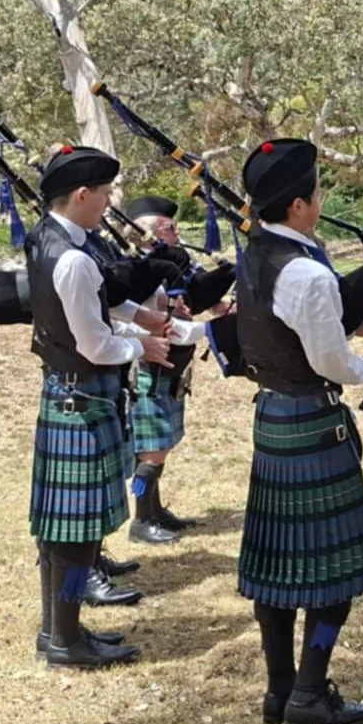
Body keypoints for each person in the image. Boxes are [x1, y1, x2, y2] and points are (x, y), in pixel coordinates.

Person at [234, 139, 363, 724]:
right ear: (299, 205)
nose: (321, 199)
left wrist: (355, 321)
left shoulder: (255, 255)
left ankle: (280, 690)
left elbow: (292, 328)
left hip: (274, 418)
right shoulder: (306, 272)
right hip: (314, 425)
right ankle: (308, 693)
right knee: (335, 575)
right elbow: (329, 361)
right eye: (317, 192)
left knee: (277, 568)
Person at [25, 145, 176, 669]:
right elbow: (95, 344)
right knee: (75, 534)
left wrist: (137, 316)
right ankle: (66, 640)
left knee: (61, 531)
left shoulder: (48, 237)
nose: (110, 202)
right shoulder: (73, 259)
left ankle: (58, 632)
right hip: (82, 398)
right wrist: (142, 344)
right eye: (106, 194)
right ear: (82, 195)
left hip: (66, 394)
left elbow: (98, 298)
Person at [119, 195, 225, 543]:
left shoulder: (178, 263)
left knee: (162, 443)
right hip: (148, 363)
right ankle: (140, 518)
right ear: (146, 232)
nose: (176, 234)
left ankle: (155, 509)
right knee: (151, 448)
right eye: (169, 229)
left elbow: (202, 297)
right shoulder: (134, 269)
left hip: (174, 363)